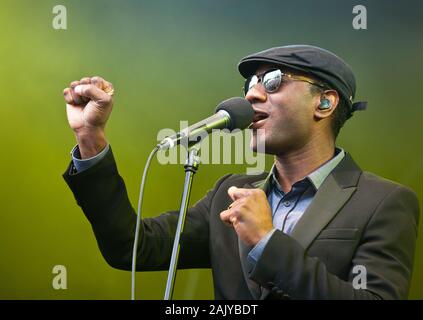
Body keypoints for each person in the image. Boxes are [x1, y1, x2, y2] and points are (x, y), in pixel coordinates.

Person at [62, 45, 419, 300]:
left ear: (324, 102)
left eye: (274, 81)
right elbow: (132, 248)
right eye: (249, 86)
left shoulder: (383, 201)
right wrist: (90, 138)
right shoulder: (229, 193)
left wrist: (267, 243)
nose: (252, 96)